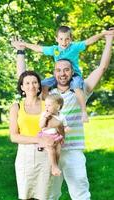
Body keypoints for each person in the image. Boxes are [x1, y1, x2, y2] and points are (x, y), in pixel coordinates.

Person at [11, 30, 114, 200]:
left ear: (73, 72)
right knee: (49, 195)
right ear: (54, 72)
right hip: (49, 152)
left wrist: (109, 39)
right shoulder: (46, 94)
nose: (62, 73)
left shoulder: (81, 90)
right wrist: (20, 51)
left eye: (66, 70)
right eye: (58, 70)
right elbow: (24, 79)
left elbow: (101, 68)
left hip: (73, 150)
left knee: (80, 194)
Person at [18, 26, 111, 123]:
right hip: (55, 81)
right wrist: (24, 45)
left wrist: (103, 34)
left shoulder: (74, 47)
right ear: (56, 39)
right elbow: (39, 49)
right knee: (43, 85)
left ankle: (84, 111)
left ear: (71, 39)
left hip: (75, 76)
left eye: (67, 39)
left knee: (77, 86)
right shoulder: (54, 49)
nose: (64, 42)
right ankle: (47, 111)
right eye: (61, 39)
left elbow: (88, 41)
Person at [9, 71, 55, 200]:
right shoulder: (16, 107)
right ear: (22, 87)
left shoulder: (47, 105)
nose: (31, 86)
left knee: (43, 196)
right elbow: (14, 136)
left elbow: (54, 128)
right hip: (24, 155)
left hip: (45, 155)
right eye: (27, 83)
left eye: (35, 82)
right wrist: (38, 139)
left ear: (39, 86)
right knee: (26, 196)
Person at [38, 93, 70, 176]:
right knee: (51, 149)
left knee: (58, 149)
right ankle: (54, 166)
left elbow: (64, 126)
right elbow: (41, 126)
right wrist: (45, 118)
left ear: (58, 107)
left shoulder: (61, 116)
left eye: (49, 105)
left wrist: (66, 129)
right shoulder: (44, 114)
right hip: (46, 135)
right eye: (45, 105)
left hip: (56, 136)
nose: (46, 107)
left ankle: (56, 165)